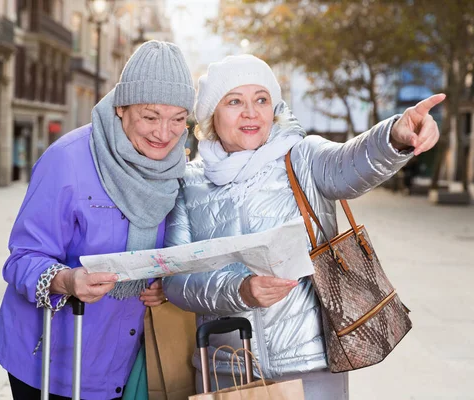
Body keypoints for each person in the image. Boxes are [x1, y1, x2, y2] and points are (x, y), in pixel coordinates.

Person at [162, 54, 443, 400]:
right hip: (227, 366)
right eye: (235, 101)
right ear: (210, 115)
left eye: (261, 100)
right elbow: (176, 280)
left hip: (311, 365)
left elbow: (350, 162)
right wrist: (240, 291)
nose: (251, 112)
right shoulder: (188, 184)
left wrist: (394, 137)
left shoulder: (302, 157)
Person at [0, 40, 195, 400]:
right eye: (150, 116)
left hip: (122, 361)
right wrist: (67, 280)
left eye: (178, 119)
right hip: (51, 361)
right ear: (121, 107)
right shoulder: (67, 161)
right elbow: (21, 260)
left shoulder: (177, 171)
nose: (165, 133)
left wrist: (164, 284)